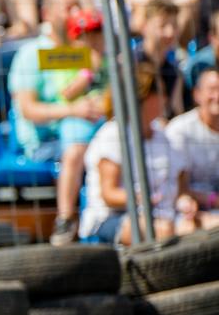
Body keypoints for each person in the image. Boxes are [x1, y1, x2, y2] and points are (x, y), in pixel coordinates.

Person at [10, 6, 109, 241]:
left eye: (96, 34)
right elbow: (61, 95)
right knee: (74, 152)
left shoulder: (108, 58)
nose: (92, 40)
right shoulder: (53, 56)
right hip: (66, 130)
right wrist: (86, 76)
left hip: (101, 123)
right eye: (85, 35)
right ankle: (65, 218)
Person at [79, 57, 195, 243]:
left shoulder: (163, 135)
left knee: (197, 228)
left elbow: (181, 187)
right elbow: (108, 194)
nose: (165, 99)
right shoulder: (112, 134)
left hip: (164, 216)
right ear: (143, 97)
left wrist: (185, 201)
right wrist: (143, 198)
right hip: (111, 218)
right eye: (160, 93)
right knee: (162, 231)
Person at [167, 67, 219, 213]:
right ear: (197, 94)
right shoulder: (180, 129)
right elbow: (178, 188)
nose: (217, 95)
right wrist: (213, 200)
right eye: (212, 90)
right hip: (187, 212)